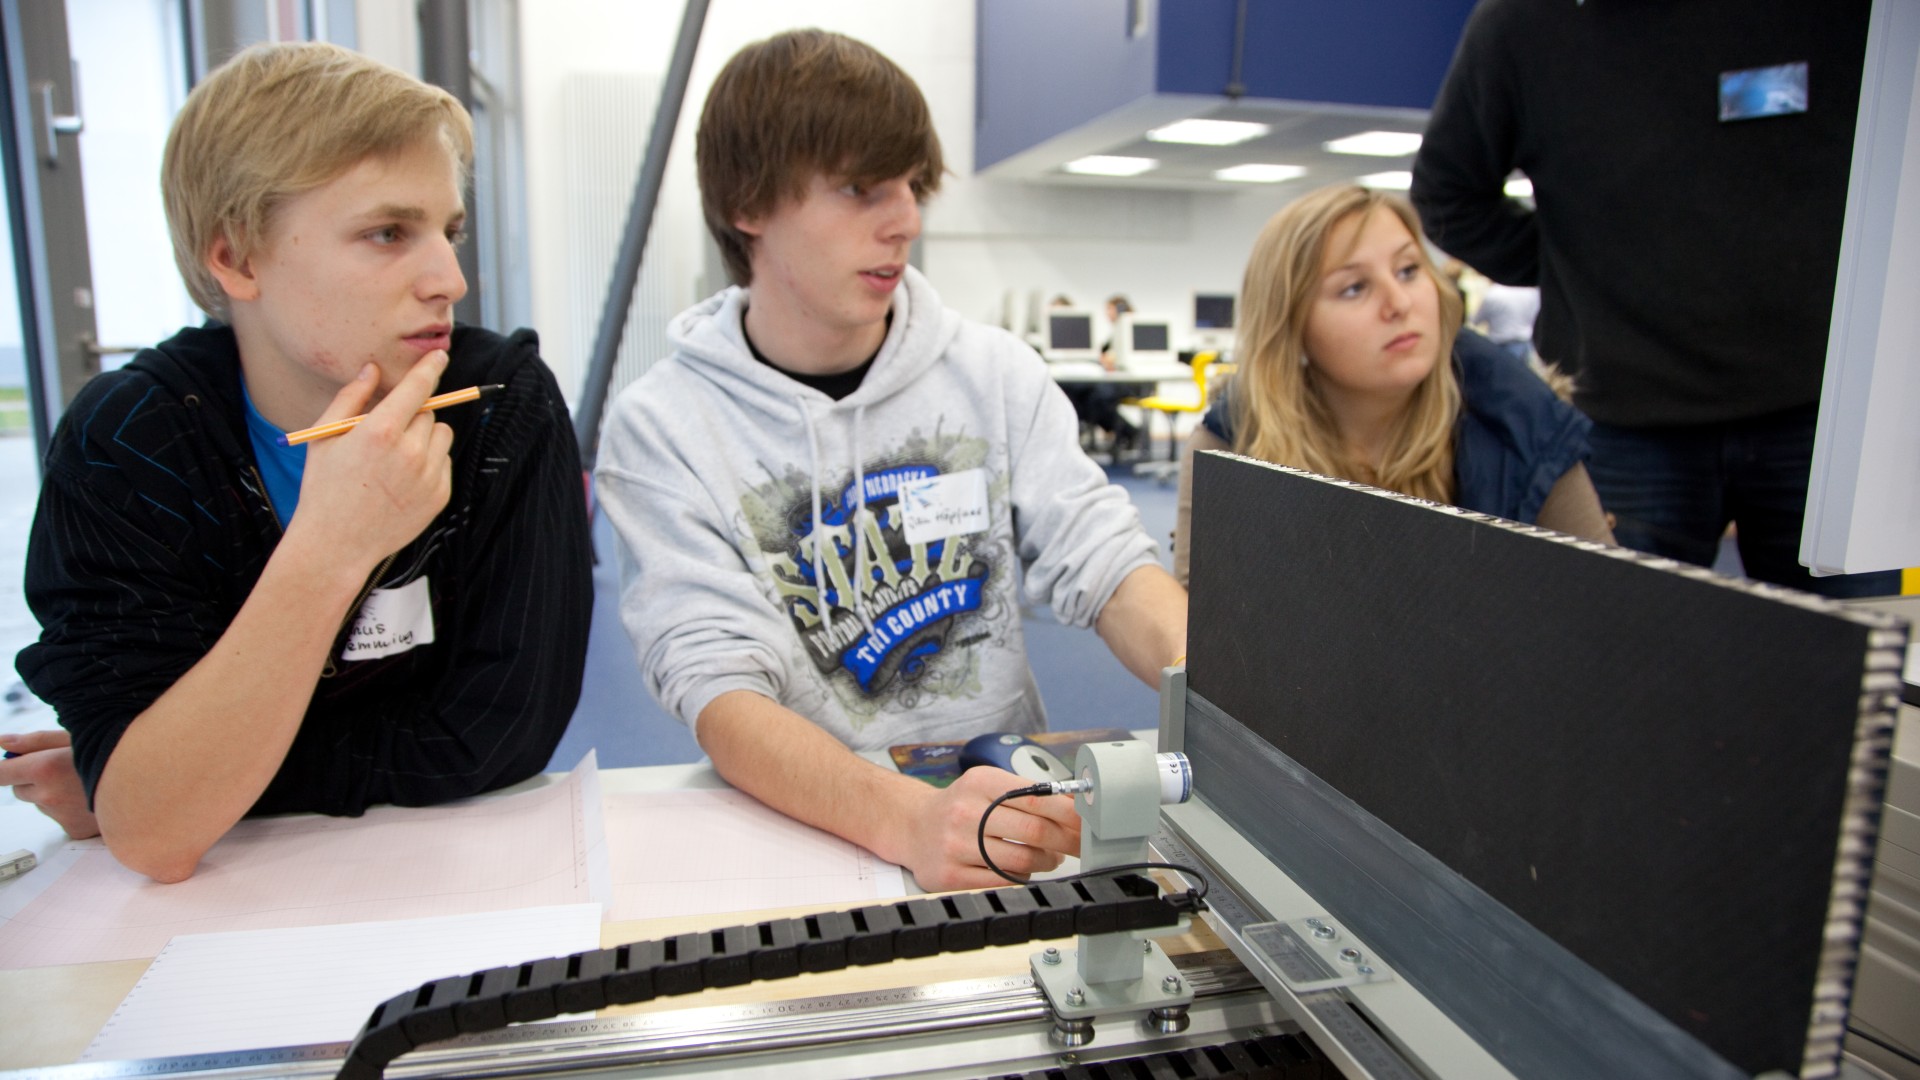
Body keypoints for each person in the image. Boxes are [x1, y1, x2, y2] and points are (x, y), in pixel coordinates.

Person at [595, 29, 1187, 891]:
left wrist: (1218, 690)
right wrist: (904, 819)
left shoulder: (994, 373)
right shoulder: (664, 428)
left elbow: (1103, 561)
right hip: (803, 827)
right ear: (748, 204)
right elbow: (719, 687)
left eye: (911, 184)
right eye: (860, 188)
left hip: (1004, 812)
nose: (906, 218)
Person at [1, 42, 593, 883]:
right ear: (237, 259)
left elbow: (497, 736)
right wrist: (330, 549)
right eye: (388, 233)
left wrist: (178, 777)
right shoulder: (128, 442)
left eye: (449, 231)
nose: (450, 279)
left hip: (457, 877)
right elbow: (158, 837)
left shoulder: (500, 403)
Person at [1410, 0, 1895, 597]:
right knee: (1621, 639)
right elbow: (1447, 194)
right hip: (1629, 417)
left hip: (1828, 410)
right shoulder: (1525, 24)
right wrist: (1571, 267)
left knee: (1860, 646)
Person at [1174, 184, 1612, 584]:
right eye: (1354, 288)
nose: (1400, 303)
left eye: (1408, 270)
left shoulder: (1526, 426)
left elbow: (1609, 611)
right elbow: (1203, 628)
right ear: (1291, 329)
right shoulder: (1231, 443)